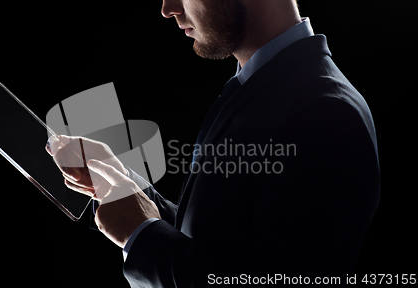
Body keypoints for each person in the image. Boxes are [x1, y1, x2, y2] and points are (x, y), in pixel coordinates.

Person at [46, 0, 380, 286]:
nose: (168, 8)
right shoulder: (263, 85)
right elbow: (222, 245)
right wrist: (127, 187)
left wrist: (141, 233)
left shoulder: (324, 110)